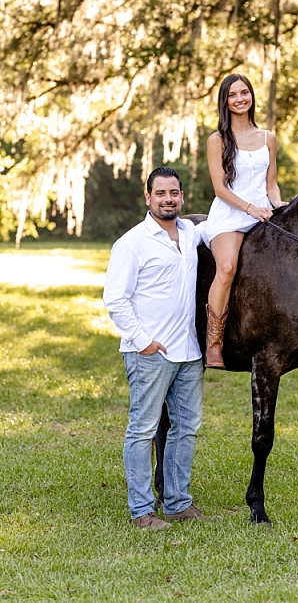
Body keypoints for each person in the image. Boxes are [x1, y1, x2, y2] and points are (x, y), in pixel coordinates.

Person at [105, 167, 215, 529]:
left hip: (188, 352)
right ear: (148, 197)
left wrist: (271, 206)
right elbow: (115, 300)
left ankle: (178, 502)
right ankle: (141, 511)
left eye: (174, 193)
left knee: (186, 428)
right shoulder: (132, 242)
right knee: (143, 430)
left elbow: (231, 221)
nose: (168, 199)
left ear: (182, 197)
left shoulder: (191, 232)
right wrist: (143, 342)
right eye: (161, 193)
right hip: (151, 354)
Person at [196, 73, 286, 368]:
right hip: (231, 216)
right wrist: (250, 208)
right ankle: (214, 343)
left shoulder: (267, 138)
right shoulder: (217, 140)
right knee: (227, 267)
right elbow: (220, 188)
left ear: (251, 96)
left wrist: (279, 204)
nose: (239, 99)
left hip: (263, 214)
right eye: (232, 95)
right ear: (225, 101)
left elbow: (270, 183)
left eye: (244, 93)